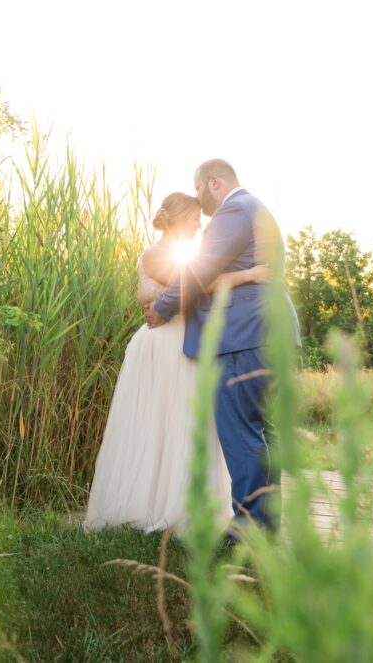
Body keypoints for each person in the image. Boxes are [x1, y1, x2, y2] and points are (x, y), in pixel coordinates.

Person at [83, 191, 267, 534]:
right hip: (162, 347)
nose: (200, 224)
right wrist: (250, 274)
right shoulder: (156, 255)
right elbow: (199, 285)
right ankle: (149, 505)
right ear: (180, 217)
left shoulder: (186, 256)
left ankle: (187, 501)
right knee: (158, 424)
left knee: (183, 424)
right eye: (196, 217)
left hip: (184, 344)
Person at [145, 159, 300, 534]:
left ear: (213, 182)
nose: (198, 198)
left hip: (243, 335)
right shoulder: (257, 210)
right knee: (262, 431)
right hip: (271, 332)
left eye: (197, 189)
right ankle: (267, 523)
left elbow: (201, 270)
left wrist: (163, 308)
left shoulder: (234, 209)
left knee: (241, 432)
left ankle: (248, 527)